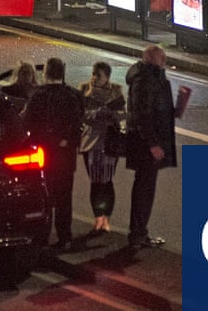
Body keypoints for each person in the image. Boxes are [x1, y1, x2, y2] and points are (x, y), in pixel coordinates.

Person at [22, 57, 85, 250]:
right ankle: (65, 237)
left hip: (44, 152)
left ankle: (42, 239)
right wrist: (66, 141)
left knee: (45, 196)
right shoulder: (73, 95)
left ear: (46, 72)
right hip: (66, 154)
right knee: (65, 197)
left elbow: (27, 123)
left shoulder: (38, 94)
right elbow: (78, 123)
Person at [124, 44, 177, 249]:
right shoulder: (145, 80)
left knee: (145, 188)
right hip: (145, 145)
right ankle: (137, 234)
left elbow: (156, 110)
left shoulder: (151, 77)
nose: (165, 61)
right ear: (152, 59)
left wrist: (176, 108)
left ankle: (139, 232)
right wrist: (153, 144)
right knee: (144, 189)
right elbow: (142, 114)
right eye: (162, 57)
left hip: (148, 142)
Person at [78, 61, 126, 234]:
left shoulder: (116, 91)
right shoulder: (84, 89)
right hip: (90, 141)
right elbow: (80, 114)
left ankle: (106, 217)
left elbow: (122, 113)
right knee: (95, 181)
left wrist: (112, 115)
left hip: (108, 141)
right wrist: (95, 114)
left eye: (98, 75)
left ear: (107, 77)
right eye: (93, 74)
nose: (94, 78)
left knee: (106, 181)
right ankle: (98, 217)